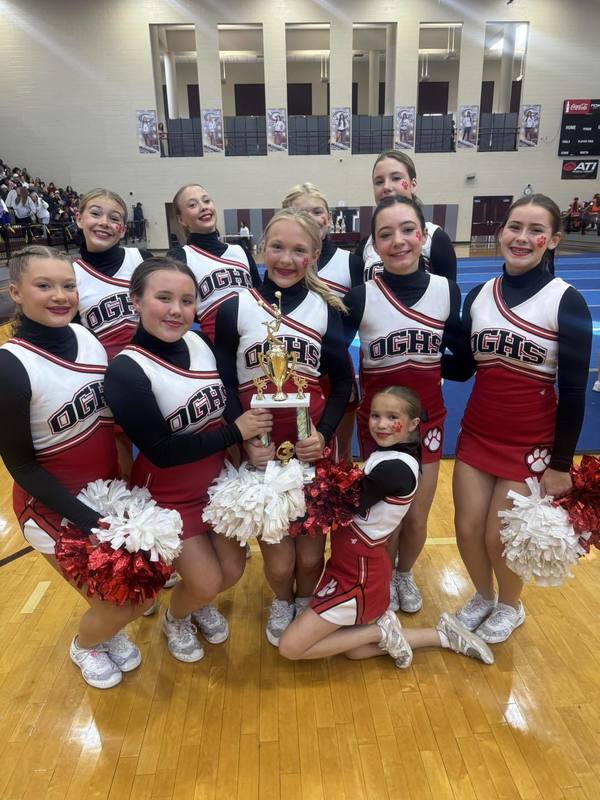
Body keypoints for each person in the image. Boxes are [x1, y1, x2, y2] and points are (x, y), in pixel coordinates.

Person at [104, 257, 273, 662]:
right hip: (169, 496)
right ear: (136, 301)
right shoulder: (126, 371)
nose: (176, 310)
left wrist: (244, 432)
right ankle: (176, 618)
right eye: (163, 298)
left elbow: (224, 395)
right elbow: (161, 451)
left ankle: (197, 602)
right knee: (207, 578)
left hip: (215, 485)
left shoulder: (198, 342)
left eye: (186, 300)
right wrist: (237, 432)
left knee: (232, 571)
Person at [0, 245, 149, 689]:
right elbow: (22, 467)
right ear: (16, 293)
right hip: (52, 509)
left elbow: (105, 424)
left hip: (106, 495)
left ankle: (105, 632)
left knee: (133, 593)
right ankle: (86, 643)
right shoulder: (11, 366)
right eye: (43, 286)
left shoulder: (87, 339)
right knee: (120, 604)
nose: (60, 295)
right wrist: (90, 521)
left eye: (67, 285)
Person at [444, 194, 592, 643]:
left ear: (553, 240)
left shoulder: (566, 302)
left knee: (498, 536)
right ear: (501, 231)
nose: (522, 238)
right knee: (466, 528)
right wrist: (423, 354)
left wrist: (562, 464)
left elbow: (572, 391)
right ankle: (484, 597)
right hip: (477, 433)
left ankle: (512, 605)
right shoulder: (479, 294)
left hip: (531, 442)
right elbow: (466, 366)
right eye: (514, 227)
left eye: (534, 230)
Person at [213, 209, 353, 645]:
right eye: (277, 247)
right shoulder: (234, 307)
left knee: (311, 556)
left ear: (314, 255)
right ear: (260, 249)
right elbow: (220, 383)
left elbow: (344, 379)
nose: (287, 258)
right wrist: (242, 437)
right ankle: (281, 600)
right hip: (260, 455)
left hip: (309, 454)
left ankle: (307, 602)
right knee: (277, 561)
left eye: (299, 250)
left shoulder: (326, 309)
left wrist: (324, 435)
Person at [278, 386, 493, 668]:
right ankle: (442, 635)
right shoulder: (388, 455)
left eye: (392, 417)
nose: (380, 424)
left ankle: (382, 630)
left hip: (360, 573)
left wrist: (278, 498)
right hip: (354, 564)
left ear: (414, 424)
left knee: (290, 647)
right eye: (375, 415)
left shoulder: (395, 469)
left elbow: (338, 504)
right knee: (356, 650)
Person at [344, 195, 462, 614]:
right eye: (385, 234)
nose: (398, 241)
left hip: (426, 421)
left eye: (408, 230)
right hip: (377, 425)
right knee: (383, 515)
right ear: (374, 245)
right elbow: (335, 361)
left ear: (423, 235)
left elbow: (463, 362)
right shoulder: (360, 297)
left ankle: (403, 575)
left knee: (415, 516)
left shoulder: (447, 291)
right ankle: (378, 575)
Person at [73, 188, 153, 477]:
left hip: (153, 365)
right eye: (95, 213)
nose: (104, 222)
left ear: (122, 229)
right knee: (120, 446)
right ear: (79, 218)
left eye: (114, 217)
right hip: (108, 377)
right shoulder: (72, 275)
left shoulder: (140, 259)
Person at [282, 183, 364, 462]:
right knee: (301, 446)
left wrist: (331, 355)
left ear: (328, 218)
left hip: (335, 368)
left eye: (318, 211)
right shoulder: (284, 263)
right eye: (301, 211)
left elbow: (353, 318)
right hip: (297, 366)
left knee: (342, 451)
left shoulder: (349, 263)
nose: (312, 217)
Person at [166, 183, 261, 340]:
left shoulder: (239, 250)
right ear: (181, 220)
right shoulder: (180, 257)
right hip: (216, 344)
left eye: (206, 201)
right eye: (192, 205)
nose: (203, 207)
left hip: (254, 338)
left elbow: (259, 293)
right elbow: (178, 306)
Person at [355, 150, 457, 283]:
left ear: (413, 185)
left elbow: (449, 296)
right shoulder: (366, 246)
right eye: (379, 182)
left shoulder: (436, 238)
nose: (386, 187)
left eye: (396, 178)